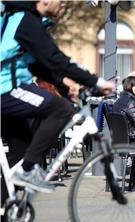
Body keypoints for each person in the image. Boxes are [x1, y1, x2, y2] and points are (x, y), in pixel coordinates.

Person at [1, 0, 114, 194]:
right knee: (62, 109)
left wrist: (64, 85)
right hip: (6, 90)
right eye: (61, 1)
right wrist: (95, 81)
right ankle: (27, 170)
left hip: (10, 89)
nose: (64, 5)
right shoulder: (25, 21)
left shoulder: (24, 19)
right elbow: (56, 59)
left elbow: (36, 65)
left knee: (20, 155)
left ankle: (5, 213)